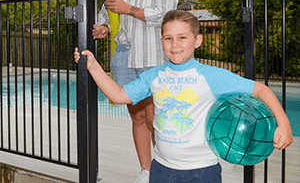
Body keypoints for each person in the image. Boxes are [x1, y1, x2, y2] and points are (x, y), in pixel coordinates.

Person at [75, 10, 293, 183]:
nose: (175, 44)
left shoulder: (211, 76)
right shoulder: (155, 76)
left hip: (202, 171)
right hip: (161, 169)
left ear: (197, 41)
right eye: (168, 38)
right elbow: (119, 95)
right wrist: (93, 67)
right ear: (161, 41)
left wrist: (284, 124)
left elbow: (260, 90)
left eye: (182, 37)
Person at [92, 0, 178, 182]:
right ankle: (146, 171)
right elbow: (106, 16)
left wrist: (128, 9)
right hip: (125, 57)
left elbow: (166, 14)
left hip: (152, 56)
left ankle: (165, 170)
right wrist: (102, 28)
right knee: (137, 116)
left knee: (155, 118)